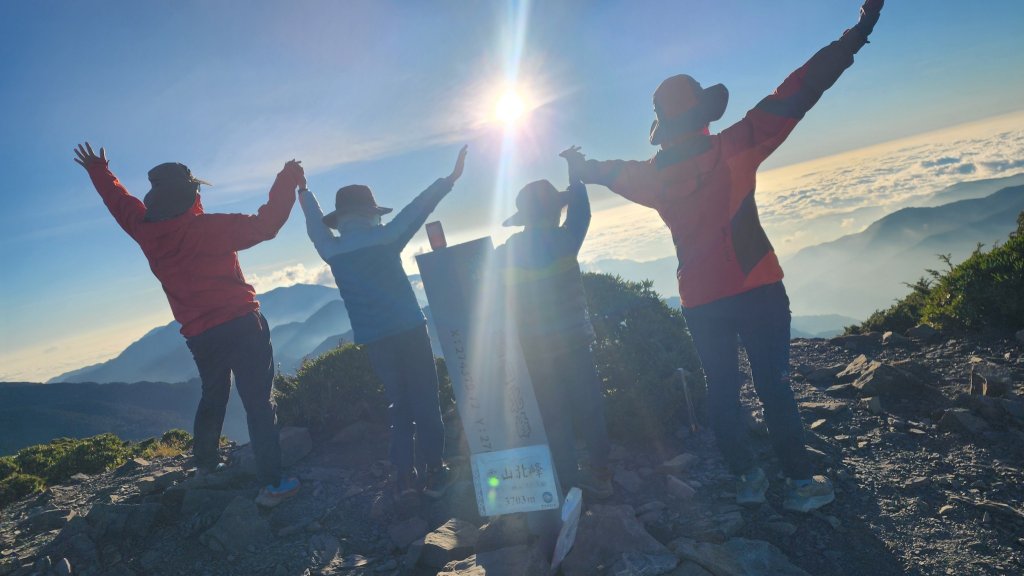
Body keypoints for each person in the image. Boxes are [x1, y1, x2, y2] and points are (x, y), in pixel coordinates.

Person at [561, 0, 885, 513]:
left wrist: (580, 165)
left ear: (664, 125)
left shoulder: (652, 177)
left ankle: (748, 480)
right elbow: (801, 87)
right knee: (774, 385)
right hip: (757, 285)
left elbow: (611, 170)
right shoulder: (737, 144)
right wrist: (860, 28)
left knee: (722, 391)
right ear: (703, 116)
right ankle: (800, 483)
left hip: (700, 299)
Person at [73, 142, 304, 508]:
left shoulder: (145, 230)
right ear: (192, 193)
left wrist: (99, 171)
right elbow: (267, 225)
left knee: (213, 394)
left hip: (199, 334)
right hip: (242, 323)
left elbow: (118, 202)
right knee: (258, 402)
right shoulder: (209, 228)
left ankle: (206, 466)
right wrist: (287, 179)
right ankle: (272, 483)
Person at [297, 145, 468, 502]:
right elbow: (419, 209)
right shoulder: (387, 237)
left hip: (374, 338)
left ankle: (404, 476)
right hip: (409, 327)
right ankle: (436, 471)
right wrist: (449, 179)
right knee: (425, 399)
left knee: (399, 403)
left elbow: (313, 224)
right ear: (369, 213)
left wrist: (303, 190)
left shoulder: (331, 250)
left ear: (341, 218)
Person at [493, 147, 612, 499]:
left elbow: (481, 278)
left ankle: (567, 479)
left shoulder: (509, 251)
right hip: (575, 341)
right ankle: (602, 472)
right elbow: (582, 211)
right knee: (589, 406)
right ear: (554, 211)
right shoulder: (565, 240)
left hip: (534, 349)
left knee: (554, 412)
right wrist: (575, 174)